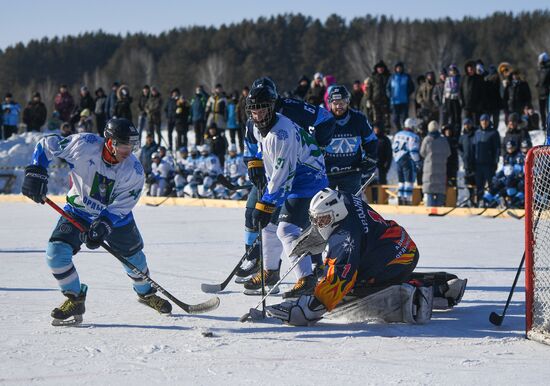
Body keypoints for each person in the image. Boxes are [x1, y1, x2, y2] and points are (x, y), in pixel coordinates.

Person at [20, 118, 171, 325]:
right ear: (110, 142)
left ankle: (146, 293)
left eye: (132, 145)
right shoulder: (83, 145)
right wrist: (37, 171)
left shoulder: (134, 171)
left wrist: (104, 224)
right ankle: (75, 299)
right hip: (78, 211)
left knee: (134, 258)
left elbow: (123, 205)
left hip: (116, 218)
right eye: (124, 145)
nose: (129, 150)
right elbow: (47, 144)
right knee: (56, 254)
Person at [265, 188, 466, 326]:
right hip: (400, 246)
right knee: (358, 274)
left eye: (324, 220)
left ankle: (421, 293)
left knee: (352, 288)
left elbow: (339, 280)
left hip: (394, 256)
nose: (320, 224)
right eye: (317, 220)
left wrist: (305, 310)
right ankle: (442, 285)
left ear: (335, 215)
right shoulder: (343, 198)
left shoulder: (344, 237)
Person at [236, 77, 335, 282]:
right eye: (254, 110)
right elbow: (252, 142)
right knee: (269, 226)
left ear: (273, 105)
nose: (258, 115)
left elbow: (284, 175)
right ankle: (270, 272)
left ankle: (306, 278)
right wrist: (253, 163)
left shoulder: (282, 132)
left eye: (263, 109)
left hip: (305, 179)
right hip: (284, 177)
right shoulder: (258, 124)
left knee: (287, 228)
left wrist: (266, 203)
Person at [324, 85, 377, 193]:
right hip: (327, 174)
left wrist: (370, 158)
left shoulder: (359, 118)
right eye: (335, 103)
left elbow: (371, 140)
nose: (339, 106)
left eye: (342, 103)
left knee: (352, 206)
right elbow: (313, 145)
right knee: (322, 208)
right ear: (330, 104)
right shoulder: (323, 120)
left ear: (348, 102)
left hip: (352, 172)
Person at [420, 121, 451, 207]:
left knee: (430, 192)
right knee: (440, 192)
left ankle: (430, 211)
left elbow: (422, 153)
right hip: (441, 170)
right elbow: (448, 153)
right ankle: (439, 210)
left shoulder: (427, 140)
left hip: (429, 171)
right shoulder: (443, 140)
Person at [392, 118, 421, 205]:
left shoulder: (397, 134)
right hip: (407, 159)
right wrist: (417, 161)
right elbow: (413, 151)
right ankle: (407, 200)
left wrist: (396, 157)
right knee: (409, 181)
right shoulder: (413, 136)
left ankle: (400, 199)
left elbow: (393, 148)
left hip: (398, 159)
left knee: (401, 181)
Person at [473, 114, 501, 205]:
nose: (484, 122)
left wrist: (495, 161)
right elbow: (474, 147)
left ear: (489, 122)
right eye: (482, 121)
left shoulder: (493, 133)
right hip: (478, 164)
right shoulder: (477, 133)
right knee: (479, 185)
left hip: (489, 164)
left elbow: (497, 148)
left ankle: (492, 202)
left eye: (486, 121)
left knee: (491, 184)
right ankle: (479, 202)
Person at [386, 62, 414, 131]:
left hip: (404, 101)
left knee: (404, 118)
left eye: (400, 67)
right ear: (395, 68)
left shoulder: (406, 77)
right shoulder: (392, 77)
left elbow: (412, 87)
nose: (399, 69)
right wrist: (389, 95)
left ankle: (405, 130)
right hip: (394, 101)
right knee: (395, 119)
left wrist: (407, 93)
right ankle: (398, 130)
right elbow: (387, 88)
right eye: (397, 67)